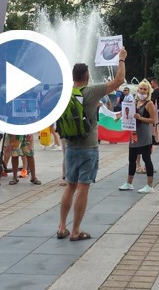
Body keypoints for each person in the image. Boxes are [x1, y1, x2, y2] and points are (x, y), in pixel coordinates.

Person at [57, 48, 126, 242]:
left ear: (73, 77)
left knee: (70, 186)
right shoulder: (91, 91)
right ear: (87, 76)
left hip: (70, 146)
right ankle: (75, 230)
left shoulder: (65, 93)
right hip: (88, 147)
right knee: (83, 187)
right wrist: (121, 59)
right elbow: (119, 81)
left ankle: (61, 227)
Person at [118, 81, 157, 193]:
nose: (142, 91)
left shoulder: (149, 104)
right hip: (134, 135)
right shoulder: (134, 102)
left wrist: (140, 118)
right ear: (137, 90)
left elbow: (153, 120)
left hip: (144, 135)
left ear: (148, 91)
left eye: (145, 89)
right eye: (141, 89)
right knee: (132, 159)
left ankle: (149, 185)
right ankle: (129, 183)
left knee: (146, 159)